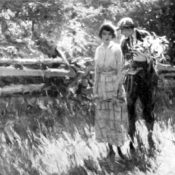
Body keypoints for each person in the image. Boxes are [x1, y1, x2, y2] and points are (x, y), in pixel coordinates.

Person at [116, 17, 158, 149]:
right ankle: (131, 138)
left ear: (130, 28)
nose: (122, 33)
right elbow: (126, 61)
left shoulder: (144, 36)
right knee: (130, 106)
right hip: (132, 79)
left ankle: (150, 136)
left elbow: (154, 54)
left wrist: (144, 58)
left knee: (148, 107)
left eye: (123, 30)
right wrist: (127, 69)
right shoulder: (124, 43)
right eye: (121, 31)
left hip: (147, 77)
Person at [93, 21, 128, 160]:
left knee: (116, 119)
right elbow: (96, 71)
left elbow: (120, 70)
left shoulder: (117, 49)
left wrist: (116, 91)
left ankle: (120, 150)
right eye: (104, 34)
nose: (106, 36)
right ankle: (110, 150)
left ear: (113, 35)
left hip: (115, 84)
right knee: (105, 119)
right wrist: (95, 91)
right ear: (101, 35)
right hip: (102, 86)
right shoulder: (98, 49)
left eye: (109, 34)